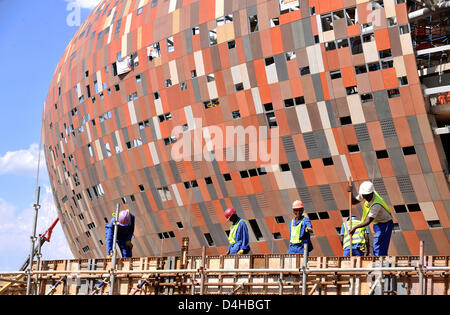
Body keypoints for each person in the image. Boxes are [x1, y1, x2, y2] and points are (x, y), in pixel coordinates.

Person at [349, 181, 393, 256]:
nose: (366, 198)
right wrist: (351, 192)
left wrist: (355, 227)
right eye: (364, 196)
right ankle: (378, 259)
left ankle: (380, 261)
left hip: (385, 224)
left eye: (368, 196)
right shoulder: (365, 194)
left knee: (379, 244)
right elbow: (354, 202)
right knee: (378, 243)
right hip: (377, 224)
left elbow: (369, 221)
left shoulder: (376, 204)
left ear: (372, 193)